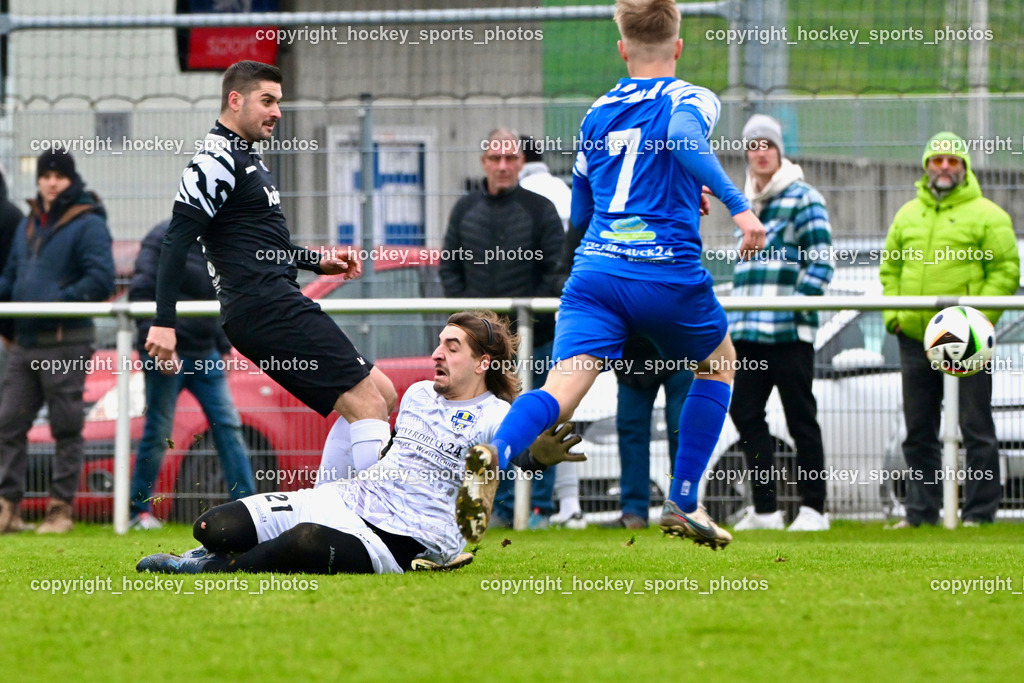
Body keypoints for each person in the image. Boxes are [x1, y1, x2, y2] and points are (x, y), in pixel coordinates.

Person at [455, 0, 765, 550]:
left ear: (622, 48)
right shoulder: (690, 96)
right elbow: (682, 137)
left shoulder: (596, 113)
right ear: (679, 46)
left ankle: (496, 455)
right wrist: (740, 207)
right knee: (718, 364)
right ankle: (683, 501)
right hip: (664, 271)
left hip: (595, 272)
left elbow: (583, 208)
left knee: (562, 388)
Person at [136, 311, 584, 575]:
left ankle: (206, 569)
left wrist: (536, 459)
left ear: (483, 362)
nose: (436, 354)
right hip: (350, 499)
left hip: (406, 536)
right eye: (439, 344)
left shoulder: (498, 415)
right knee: (212, 525)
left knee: (304, 542)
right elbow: (394, 454)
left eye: (452, 347)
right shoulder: (417, 395)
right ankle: (210, 548)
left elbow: (506, 457)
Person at [144, 61, 397, 481]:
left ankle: (328, 518)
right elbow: (175, 241)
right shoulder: (215, 159)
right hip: (264, 308)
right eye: (267, 101)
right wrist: (163, 323)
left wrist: (316, 262)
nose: (277, 112)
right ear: (235, 100)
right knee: (368, 404)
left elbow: (260, 245)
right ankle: (384, 524)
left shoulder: (246, 157)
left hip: (274, 302)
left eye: (279, 102)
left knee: (382, 397)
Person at [881, 131, 1019, 528]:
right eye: (937, 159)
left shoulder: (989, 215)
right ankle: (921, 514)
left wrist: (978, 322)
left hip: (967, 341)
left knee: (975, 427)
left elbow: (1006, 272)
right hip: (913, 341)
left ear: (964, 167)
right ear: (926, 166)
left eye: (952, 160)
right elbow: (889, 269)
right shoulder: (907, 215)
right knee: (918, 430)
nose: (944, 166)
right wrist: (894, 317)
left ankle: (978, 514)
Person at [440, 127, 565, 528]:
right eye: (495, 159)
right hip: (481, 348)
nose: (504, 166)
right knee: (484, 422)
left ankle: (538, 510)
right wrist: (471, 323)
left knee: (540, 420)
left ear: (522, 162)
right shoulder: (464, 210)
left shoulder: (540, 209)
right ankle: (495, 507)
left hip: (535, 338)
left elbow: (558, 271)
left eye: (511, 158)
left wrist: (523, 322)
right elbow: (449, 267)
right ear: (484, 163)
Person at [727, 114, 835, 532]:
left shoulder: (804, 196)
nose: (759, 153)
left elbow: (821, 261)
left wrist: (797, 307)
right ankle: (766, 510)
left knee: (800, 418)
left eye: (766, 145)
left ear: (778, 150)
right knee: (746, 414)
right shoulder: (745, 202)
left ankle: (814, 509)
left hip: (789, 334)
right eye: (752, 146)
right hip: (750, 333)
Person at [0, 148, 115, 534]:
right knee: (9, 424)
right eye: (45, 176)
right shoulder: (29, 222)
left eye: (58, 176)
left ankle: (60, 510)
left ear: (70, 179)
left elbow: (101, 279)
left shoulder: (88, 222)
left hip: (66, 341)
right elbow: (13, 278)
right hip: (24, 341)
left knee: (66, 428)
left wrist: (55, 302)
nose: (51, 182)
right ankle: (7, 508)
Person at [126, 219, 257, 530]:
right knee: (158, 431)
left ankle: (249, 508)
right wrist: (158, 345)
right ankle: (138, 512)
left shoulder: (219, 239)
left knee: (228, 426)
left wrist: (223, 346)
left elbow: (223, 297)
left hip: (204, 352)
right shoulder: (160, 238)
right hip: (166, 352)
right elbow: (142, 292)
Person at [604, 336, 692, 529]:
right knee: (630, 432)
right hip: (632, 359)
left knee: (682, 432)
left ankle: (682, 510)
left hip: (679, 350)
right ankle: (633, 513)